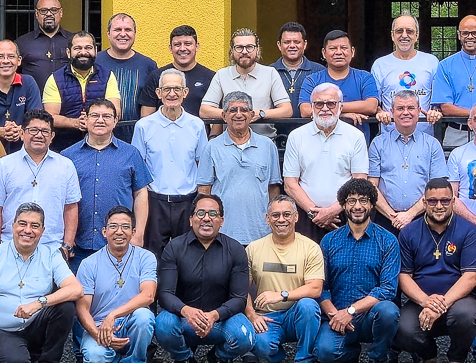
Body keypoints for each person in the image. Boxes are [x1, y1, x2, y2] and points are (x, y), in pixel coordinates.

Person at [0, 201, 84, 363]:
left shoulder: (51, 254)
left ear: (42, 231)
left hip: (36, 325)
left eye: (34, 226)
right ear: (12, 226)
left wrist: (39, 303)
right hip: (1, 330)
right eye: (22, 224)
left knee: (65, 307)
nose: (27, 230)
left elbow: (76, 289)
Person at [391, 178, 476, 363]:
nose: (439, 206)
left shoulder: (468, 231)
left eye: (445, 200)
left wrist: (441, 304)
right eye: (433, 201)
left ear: (453, 201)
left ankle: (457, 360)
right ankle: (428, 357)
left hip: (459, 300)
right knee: (402, 328)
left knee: (467, 315)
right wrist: (426, 301)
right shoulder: (409, 232)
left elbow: (471, 277)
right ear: (424, 203)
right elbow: (404, 276)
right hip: (420, 300)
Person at [312, 178, 404, 363]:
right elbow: (321, 287)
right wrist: (337, 315)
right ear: (343, 205)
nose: (357, 206)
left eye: (363, 200)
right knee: (325, 352)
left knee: (389, 311)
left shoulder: (387, 240)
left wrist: (351, 311)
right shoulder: (329, 241)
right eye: (351, 201)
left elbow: (388, 288)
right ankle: (349, 358)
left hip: (371, 316)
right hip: (337, 315)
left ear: (372, 204)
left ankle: (377, 361)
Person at [228, 195, 328, 363]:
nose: (281, 219)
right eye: (275, 215)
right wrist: (251, 315)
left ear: (296, 217)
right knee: (259, 344)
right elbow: (241, 289)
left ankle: (304, 361)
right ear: (267, 218)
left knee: (309, 305)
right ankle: (274, 359)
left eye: (286, 214)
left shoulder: (310, 248)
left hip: (296, 313)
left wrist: (281, 295)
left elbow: (315, 289)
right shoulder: (253, 248)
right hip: (267, 317)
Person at [155, 191, 251, 363]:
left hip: (221, 320)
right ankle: (184, 360)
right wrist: (186, 311)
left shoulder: (235, 249)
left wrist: (215, 315)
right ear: (191, 219)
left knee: (245, 337)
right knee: (163, 325)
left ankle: (219, 358)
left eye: (213, 214)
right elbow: (165, 293)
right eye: (201, 213)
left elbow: (240, 299)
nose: (206, 219)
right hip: (184, 320)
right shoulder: (174, 248)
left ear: (221, 220)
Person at [72, 206, 159, 363]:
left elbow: (148, 295)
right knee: (95, 358)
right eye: (113, 226)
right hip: (100, 326)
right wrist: (98, 335)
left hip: (130, 322)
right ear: (104, 232)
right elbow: (82, 308)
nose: (119, 232)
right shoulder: (89, 264)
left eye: (125, 227)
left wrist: (113, 315)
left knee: (144, 317)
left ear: (133, 232)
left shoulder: (146, 258)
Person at [0, 109, 82, 254]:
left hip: (52, 247)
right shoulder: (4, 165)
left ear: (52, 136)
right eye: (33, 130)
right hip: (10, 246)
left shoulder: (65, 166)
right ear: (22, 134)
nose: (39, 135)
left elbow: (71, 207)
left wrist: (67, 246)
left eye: (44, 131)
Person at [282, 83, 371, 235]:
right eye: (318, 104)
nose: (324, 108)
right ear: (312, 107)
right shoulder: (296, 136)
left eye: (331, 103)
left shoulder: (355, 136)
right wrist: (315, 213)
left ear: (340, 107)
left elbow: (360, 181)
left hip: (343, 215)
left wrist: (331, 211)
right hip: (307, 216)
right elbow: (290, 184)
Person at [64, 98, 153, 247]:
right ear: (85, 119)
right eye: (94, 116)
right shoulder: (68, 156)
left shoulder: (131, 154)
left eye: (106, 116)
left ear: (115, 120)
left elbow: (141, 194)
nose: (100, 120)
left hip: (120, 243)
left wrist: (138, 235)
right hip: (79, 242)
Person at [136, 71, 210, 245]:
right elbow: (139, 167)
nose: (172, 94)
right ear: (158, 93)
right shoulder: (144, 126)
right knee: (153, 255)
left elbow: (203, 164)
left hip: (187, 201)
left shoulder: (196, 125)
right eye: (167, 89)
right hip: (154, 201)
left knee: (187, 254)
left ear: (185, 93)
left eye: (177, 89)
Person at [201, 94, 283, 246]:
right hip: (222, 233)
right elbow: (204, 190)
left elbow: (273, 189)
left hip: (261, 233)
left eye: (244, 110)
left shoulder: (267, 146)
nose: (238, 114)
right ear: (224, 116)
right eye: (233, 110)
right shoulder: (212, 147)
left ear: (252, 115)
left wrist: (273, 223)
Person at [368, 89, 450, 227]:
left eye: (411, 108)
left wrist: (410, 214)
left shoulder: (432, 144)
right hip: (385, 219)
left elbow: (438, 189)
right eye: (400, 108)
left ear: (419, 111)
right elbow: (371, 186)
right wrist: (392, 216)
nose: (406, 112)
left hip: (423, 218)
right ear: (392, 111)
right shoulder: (378, 143)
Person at [425, 15, 476, 136]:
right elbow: (446, 108)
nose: (470, 37)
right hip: (457, 132)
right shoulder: (445, 66)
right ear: (459, 35)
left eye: (475, 33)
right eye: (465, 33)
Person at [205, 28, 293, 138]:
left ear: (257, 50)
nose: (245, 52)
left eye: (250, 47)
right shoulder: (221, 75)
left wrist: (261, 114)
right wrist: (234, 114)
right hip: (229, 143)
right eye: (239, 47)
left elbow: (287, 110)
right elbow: (205, 110)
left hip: (264, 140)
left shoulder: (270, 73)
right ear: (232, 50)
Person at [41, 31, 128, 137]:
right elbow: (50, 117)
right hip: (65, 145)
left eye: (88, 48)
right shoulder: (55, 79)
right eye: (77, 48)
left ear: (96, 51)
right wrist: (76, 122)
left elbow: (115, 112)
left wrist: (93, 120)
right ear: (68, 53)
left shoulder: (108, 76)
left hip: (100, 141)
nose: (83, 52)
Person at [99, 12, 163, 135]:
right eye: (117, 29)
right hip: (101, 137)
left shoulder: (149, 65)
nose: (123, 34)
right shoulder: (96, 62)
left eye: (128, 30)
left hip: (137, 137)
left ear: (134, 34)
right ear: (108, 34)